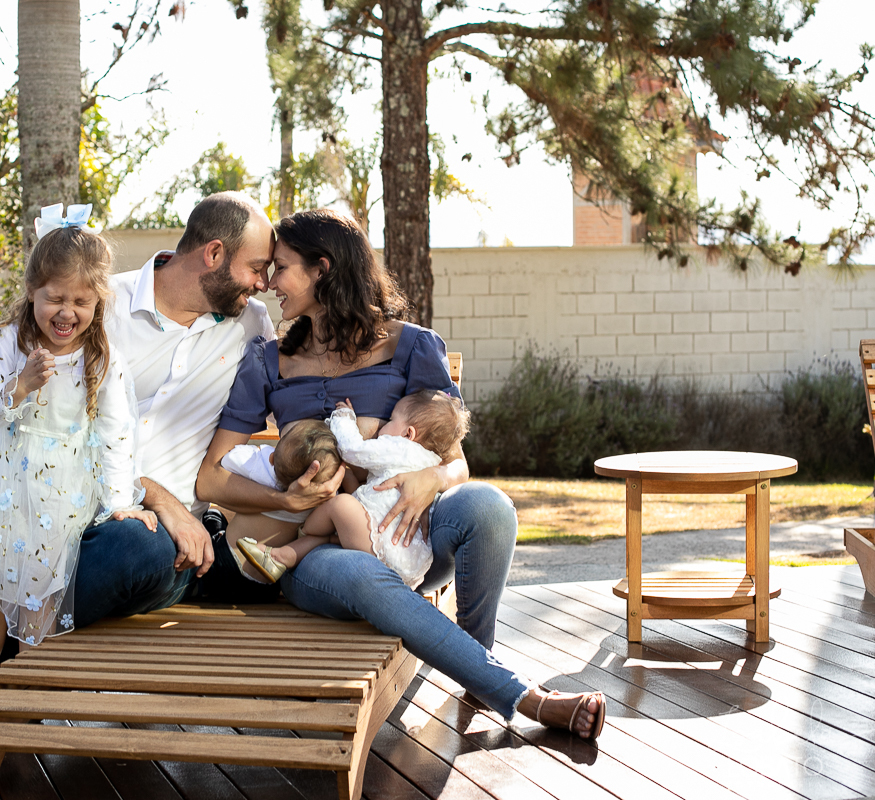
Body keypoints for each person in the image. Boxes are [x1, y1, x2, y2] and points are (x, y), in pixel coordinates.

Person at [196, 209, 605, 739]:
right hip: (320, 551)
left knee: (489, 507)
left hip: (411, 531)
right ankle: (521, 695)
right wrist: (293, 502)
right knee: (365, 576)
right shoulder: (269, 361)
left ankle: (478, 662)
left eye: (282, 268)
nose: (271, 282)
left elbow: (457, 462)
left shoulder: (413, 345)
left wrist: (431, 480)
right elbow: (209, 479)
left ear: (322, 270)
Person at [0, 192, 280, 717]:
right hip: (57, 500)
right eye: (257, 268)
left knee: (133, 549)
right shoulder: (100, 303)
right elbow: (1, 398)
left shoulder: (251, 324)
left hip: (140, 532)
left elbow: (297, 393)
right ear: (214, 254)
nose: (264, 282)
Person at [0, 204, 156, 734]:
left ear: (98, 302)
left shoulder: (100, 358)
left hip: (61, 498)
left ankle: (29, 690)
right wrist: (18, 386)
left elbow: (115, 433)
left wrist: (119, 504)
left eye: (81, 301)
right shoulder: (10, 343)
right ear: (32, 293)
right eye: (55, 299)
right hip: (4, 493)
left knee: (42, 596)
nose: (67, 312)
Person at [237, 390, 470, 589]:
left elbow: (352, 449)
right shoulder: (429, 461)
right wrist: (345, 471)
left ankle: (304, 529)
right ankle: (278, 557)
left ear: (408, 434)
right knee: (331, 536)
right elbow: (367, 493)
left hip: (382, 545)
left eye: (390, 420)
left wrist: (343, 418)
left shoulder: (401, 447)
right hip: (407, 565)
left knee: (339, 505)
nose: (383, 427)